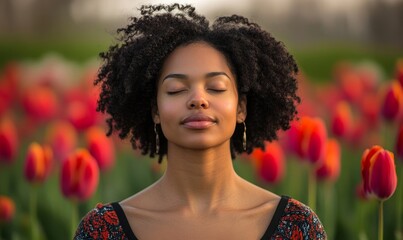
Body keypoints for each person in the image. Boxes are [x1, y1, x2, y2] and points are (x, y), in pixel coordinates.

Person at [74, 3, 326, 240]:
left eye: (216, 87)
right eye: (176, 89)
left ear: (241, 108)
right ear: (155, 110)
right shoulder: (102, 230)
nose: (198, 99)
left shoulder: (296, 226)